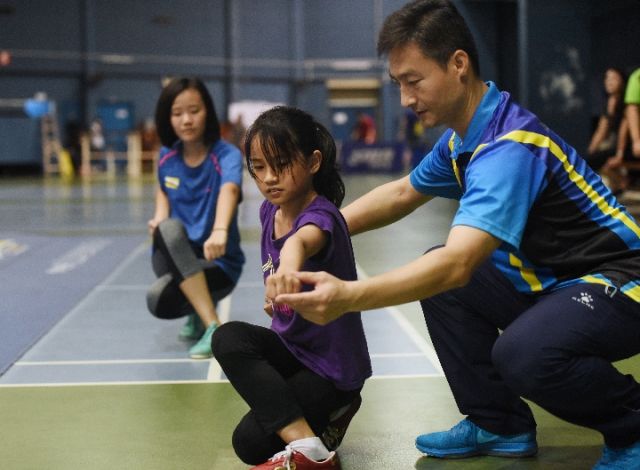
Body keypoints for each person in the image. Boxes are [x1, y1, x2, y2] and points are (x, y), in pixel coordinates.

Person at [272, 1, 640, 468]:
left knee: (521, 351)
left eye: (413, 80)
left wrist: (349, 297)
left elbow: (459, 264)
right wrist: (310, 231)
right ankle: (499, 422)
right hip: (553, 281)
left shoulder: (508, 148)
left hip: (622, 281)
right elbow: (402, 193)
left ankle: (632, 427)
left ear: (458, 64)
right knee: (443, 282)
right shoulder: (462, 140)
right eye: (398, 83)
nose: (405, 99)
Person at [211, 106, 371, 470]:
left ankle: (331, 421)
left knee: (251, 443)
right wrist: (279, 294)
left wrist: (287, 267)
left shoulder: (321, 215)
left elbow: (301, 241)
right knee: (228, 338)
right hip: (293, 350)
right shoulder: (270, 211)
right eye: (258, 167)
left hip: (331, 369)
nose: (269, 178)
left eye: (281, 164)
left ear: (313, 162)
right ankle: (310, 444)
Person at [146, 77, 245, 359]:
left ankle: (214, 326)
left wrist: (220, 230)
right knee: (156, 296)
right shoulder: (166, 156)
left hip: (218, 262)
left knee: (161, 295)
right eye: (177, 113)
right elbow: (163, 189)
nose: (186, 120)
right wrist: (159, 216)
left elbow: (230, 189)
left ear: (207, 112)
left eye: (194, 111)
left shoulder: (226, 155)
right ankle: (197, 313)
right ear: (168, 118)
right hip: (179, 254)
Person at [586, 67, 626, 173]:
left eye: (614, 78)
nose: (609, 82)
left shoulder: (627, 103)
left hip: (625, 147)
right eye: (607, 78)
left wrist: (619, 155)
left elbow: (624, 128)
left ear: (622, 82)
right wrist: (589, 152)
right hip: (613, 147)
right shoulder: (607, 103)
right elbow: (601, 131)